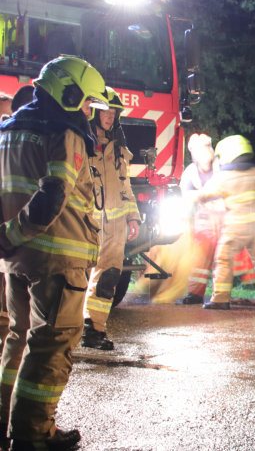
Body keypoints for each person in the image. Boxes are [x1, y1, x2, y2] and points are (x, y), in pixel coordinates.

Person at [0, 57, 108, 450]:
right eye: (86, 104)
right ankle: (32, 432)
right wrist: (13, 232)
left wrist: (7, 238)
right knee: (50, 344)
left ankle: (5, 419)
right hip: (56, 259)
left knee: (18, 337)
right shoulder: (64, 131)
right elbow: (52, 196)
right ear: (70, 93)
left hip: (16, 257)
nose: (88, 113)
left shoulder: (8, 129)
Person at [82, 88, 141, 350]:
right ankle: (69, 328)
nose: (110, 116)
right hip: (86, 224)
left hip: (115, 228)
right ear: (94, 111)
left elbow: (125, 186)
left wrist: (133, 217)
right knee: (74, 276)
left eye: (114, 112)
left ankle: (94, 329)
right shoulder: (80, 141)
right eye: (106, 110)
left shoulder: (118, 149)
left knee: (108, 277)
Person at [193, 135, 255, 310]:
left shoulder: (225, 177)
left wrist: (189, 198)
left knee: (223, 260)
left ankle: (220, 299)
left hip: (235, 228)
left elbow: (202, 195)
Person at [178, 134, 225, 304]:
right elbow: (183, 194)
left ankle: (221, 295)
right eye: (200, 149)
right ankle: (195, 294)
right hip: (204, 218)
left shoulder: (222, 166)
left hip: (226, 216)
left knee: (223, 257)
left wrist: (200, 195)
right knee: (200, 257)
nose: (205, 152)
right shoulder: (191, 170)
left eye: (207, 147)